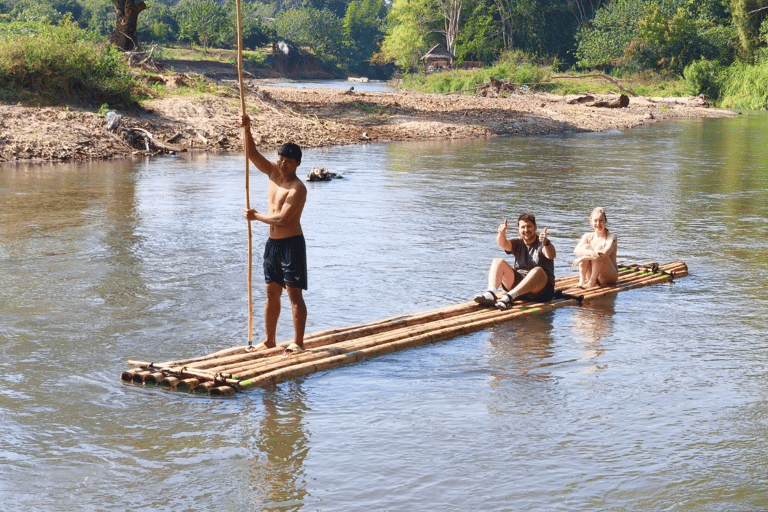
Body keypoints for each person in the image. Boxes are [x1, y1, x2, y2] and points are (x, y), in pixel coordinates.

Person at [242, 114, 308, 354]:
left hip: (292, 244)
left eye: (288, 162)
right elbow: (252, 155)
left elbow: (283, 219)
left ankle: (298, 342)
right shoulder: (272, 173)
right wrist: (248, 129)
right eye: (280, 160)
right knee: (272, 292)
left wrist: (256, 216)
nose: (282, 165)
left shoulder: (298, 188)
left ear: (297, 164)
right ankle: (269, 340)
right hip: (273, 245)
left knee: (294, 294)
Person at [473, 213, 556, 310]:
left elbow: (551, 255)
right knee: (497, 261)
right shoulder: (518, 242)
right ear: (519, 229)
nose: (526, 230)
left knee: (537, 271)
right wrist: (501, 233)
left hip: (540, 291)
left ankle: (508, 297)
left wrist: (546, 243)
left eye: (529, 226)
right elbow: (503, 244)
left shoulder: (542, 243)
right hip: (519, 287)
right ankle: (491, 293)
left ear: (535, 227)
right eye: (523, 227)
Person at [572, 207, 618, 288]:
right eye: (595, 221)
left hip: (608, 276)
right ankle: (582, 281)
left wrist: (583, 258)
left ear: (605, 221)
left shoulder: (611, 237)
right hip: (591, 274)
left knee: (599, 248)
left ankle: (592, 282)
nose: (598, 224)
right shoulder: (587, 236)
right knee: (585, 247)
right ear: (591, 222)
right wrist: (590, 253)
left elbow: (604, 253)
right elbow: (576, 251)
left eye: (601, 221)